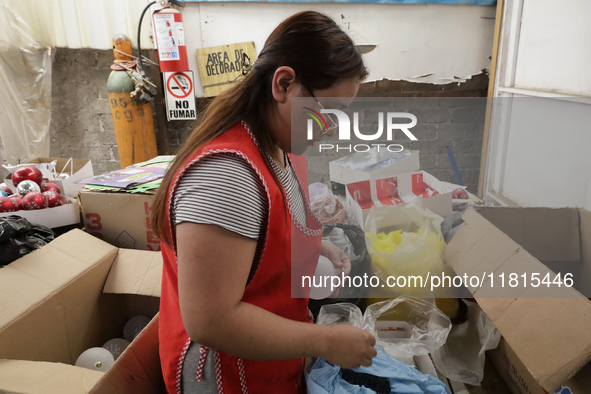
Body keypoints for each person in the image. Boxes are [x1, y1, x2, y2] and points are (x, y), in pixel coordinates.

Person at [151, 11, 377, 394]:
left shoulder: (284, 150)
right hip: (229, 374)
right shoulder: (227, 177)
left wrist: (317, 245)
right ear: (284, 84)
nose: (333, 128)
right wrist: (326, 341)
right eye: (328, 112)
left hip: (271, 357)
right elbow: (212, 321)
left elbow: (267, 232)